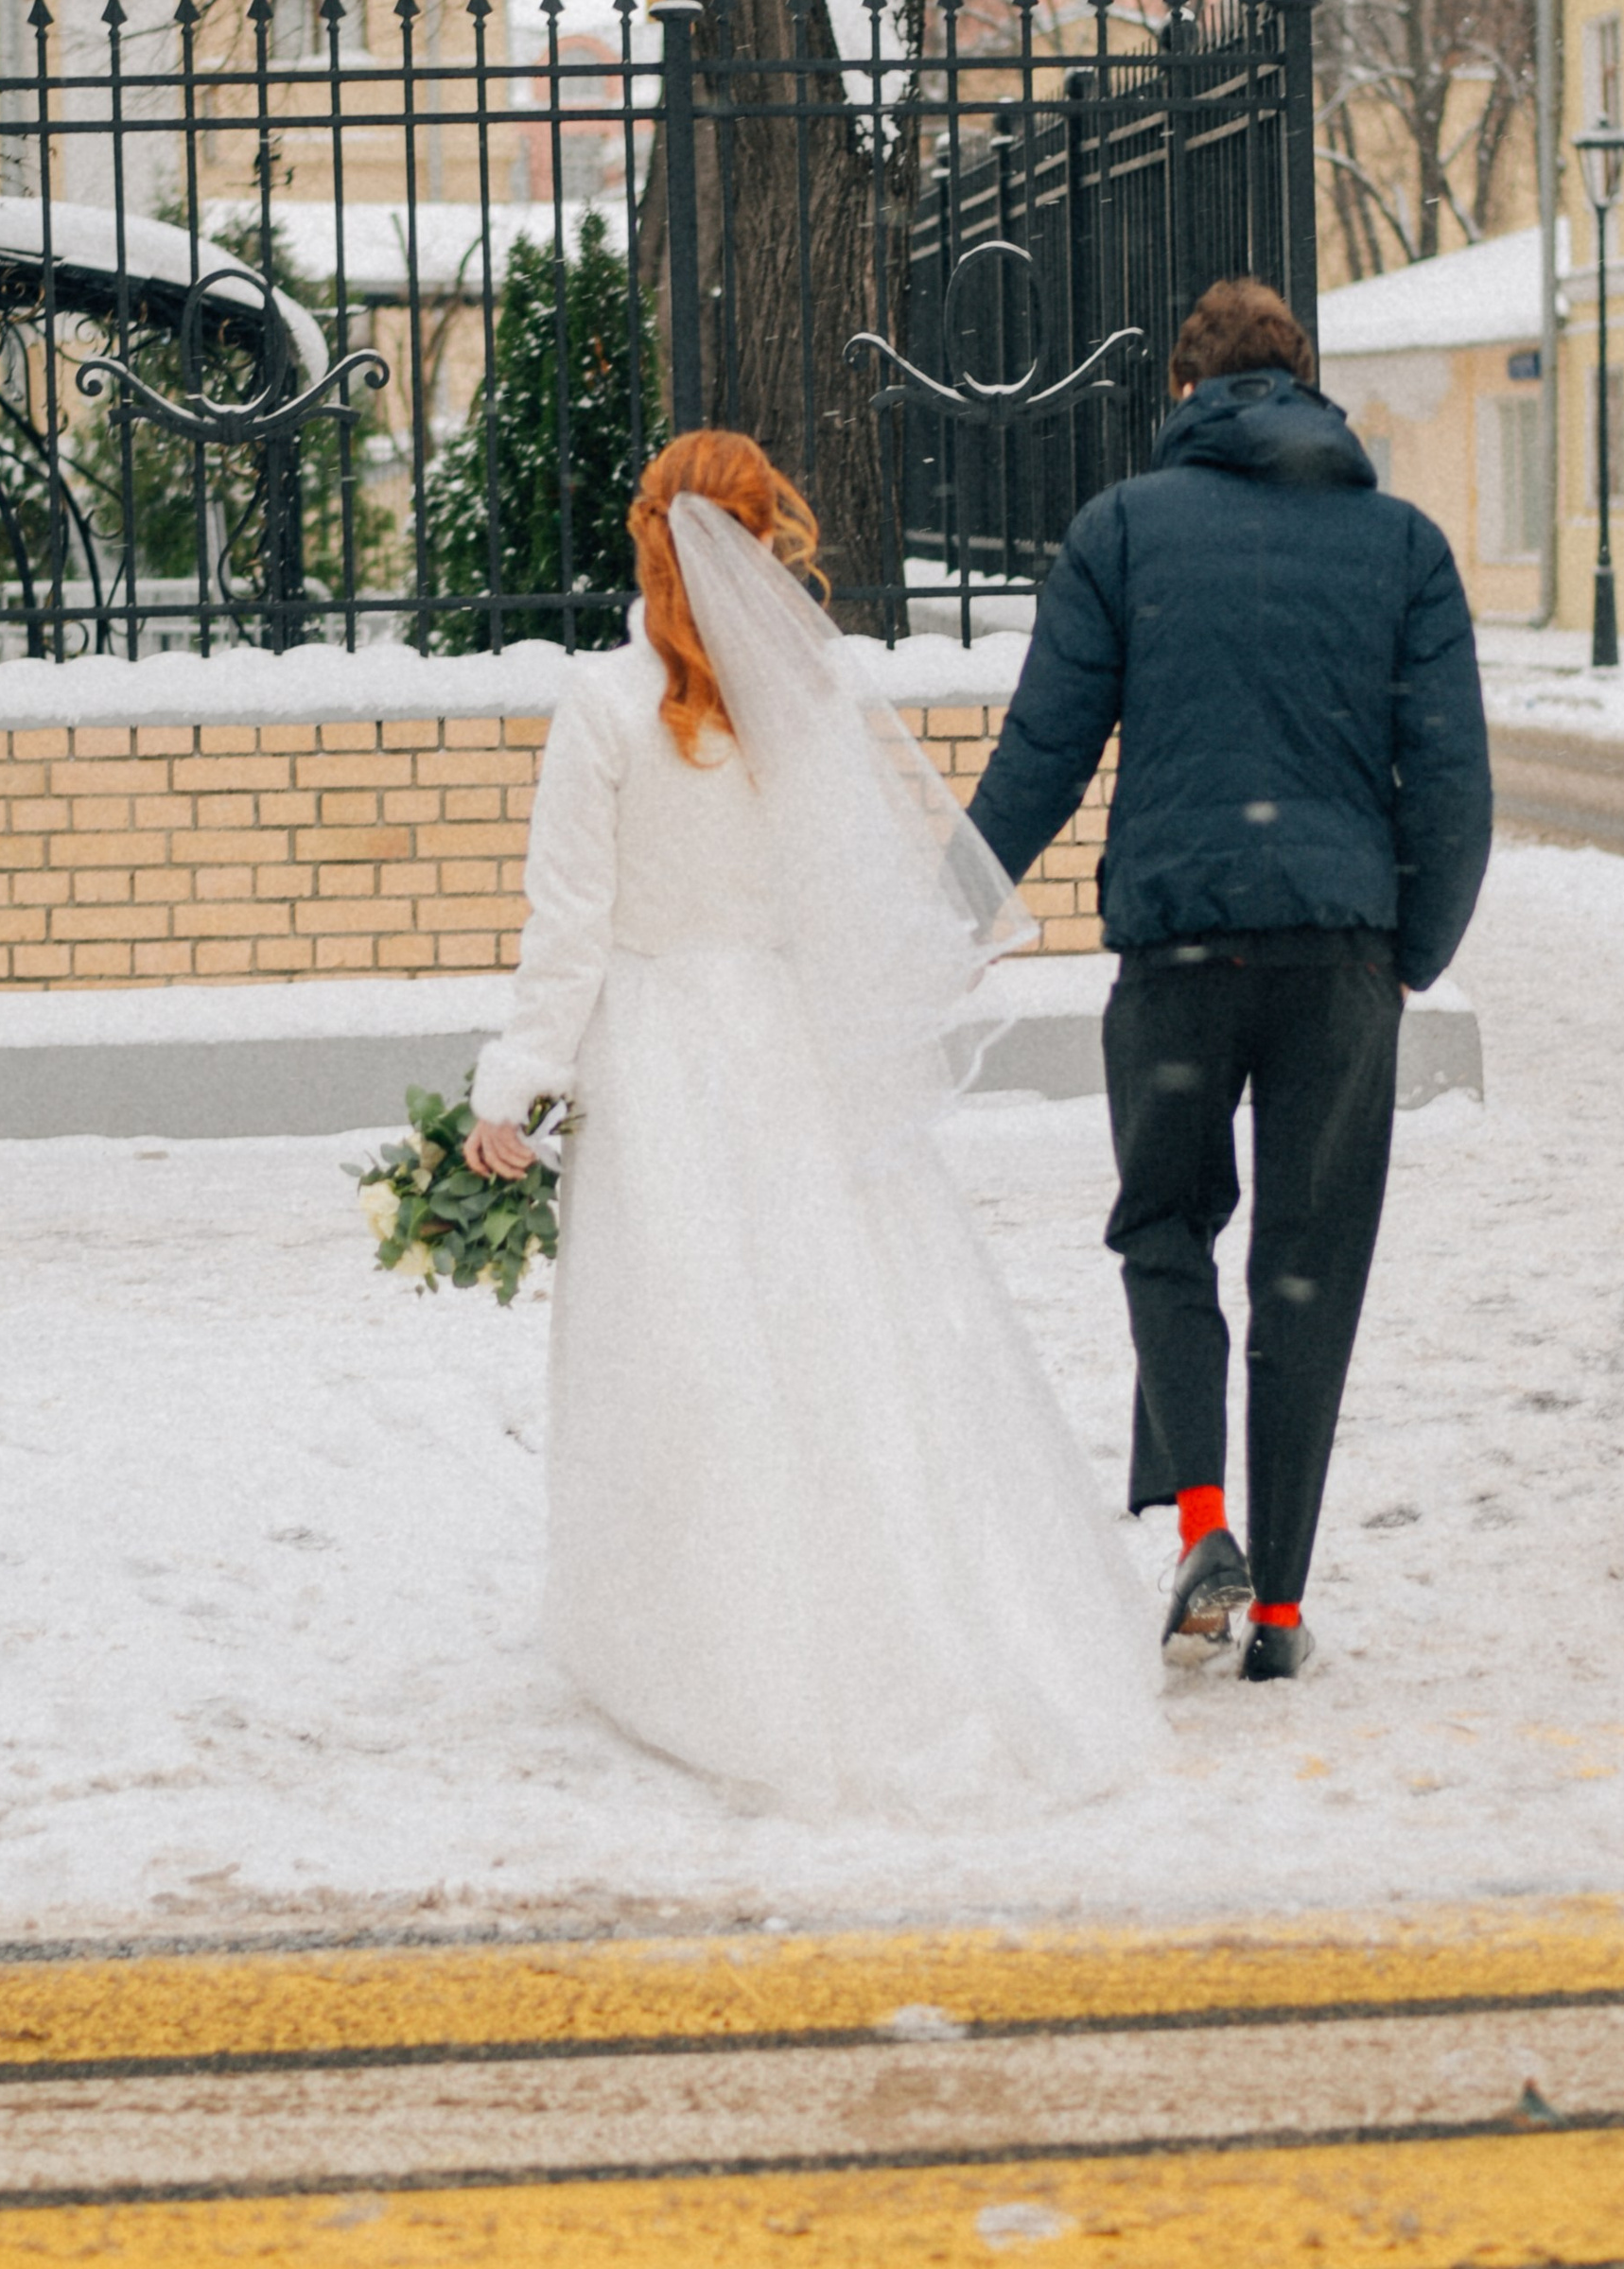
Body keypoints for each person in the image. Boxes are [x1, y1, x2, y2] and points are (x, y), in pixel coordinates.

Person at [463, 428, 1160, 1820]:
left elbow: (571, 926)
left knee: (684, 1345)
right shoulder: (810, 699)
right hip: (789, 1048)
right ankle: (895, 1609)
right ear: (764, 537)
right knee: (841, 1331)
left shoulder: (603, 706)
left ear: (647, 536)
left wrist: (511, 1087)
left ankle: (699, 1643)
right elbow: (848, 902)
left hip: (663, 1054)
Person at [966, 277, 1493, 1686]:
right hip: (1339, 959)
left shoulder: (1123, 530)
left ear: (1185, 392)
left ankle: (1205, 1526)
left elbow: (1044, 751)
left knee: (1166, 1224)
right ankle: (1282, 1606)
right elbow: (1452, 781)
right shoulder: (1404, 545)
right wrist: (1408, 954)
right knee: (1309, 1268)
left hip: (1178, 950)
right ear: (1307, 385)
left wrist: (940, 909)